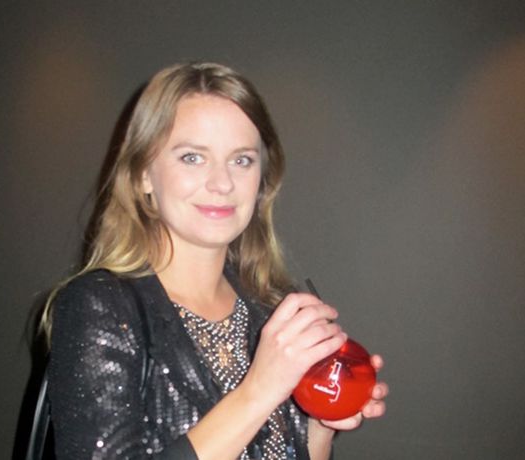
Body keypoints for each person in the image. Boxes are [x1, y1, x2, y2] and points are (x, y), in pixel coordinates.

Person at [40, 62, 387, 460]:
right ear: (143, 175)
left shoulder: (269, 307)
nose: (222, 183)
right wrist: (259, 391)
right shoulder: (98, 306)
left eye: (241, 160)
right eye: (192, 157)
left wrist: (321, 422)